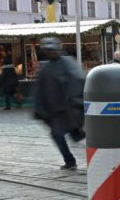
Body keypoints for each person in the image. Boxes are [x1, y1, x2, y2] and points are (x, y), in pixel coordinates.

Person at [33, 37, 86, 169]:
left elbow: (78, 82)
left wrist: (76, 102)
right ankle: (69, 160)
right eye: (47, 50)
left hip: (69, 109)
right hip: (56, 112)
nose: (50, 52)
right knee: (57, 134)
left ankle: (91, 157)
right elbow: (40, 88)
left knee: (78, 133)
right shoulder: (46, 68)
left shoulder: (68, 63)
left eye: (51, 49)